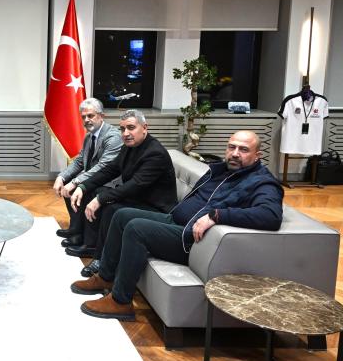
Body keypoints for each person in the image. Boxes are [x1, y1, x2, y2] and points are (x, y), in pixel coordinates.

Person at [71, 131, 283, 321]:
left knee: (136, 228)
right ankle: (106, 278)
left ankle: (120, 302)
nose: (235, 153)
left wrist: (217, 215)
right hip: (175, 220)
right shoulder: (221, 170)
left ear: (257, 155)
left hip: (190, 240)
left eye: (243, 150)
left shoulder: (261, 182)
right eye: (231, 147)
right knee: (121, 215)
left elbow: (270, 215)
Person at [67, 110, 176, 279]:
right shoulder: (129, 147)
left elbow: (135, 185)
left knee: (110, 207)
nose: (125, 133)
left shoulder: (155, 153)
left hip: (156, 209)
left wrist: (100, 199)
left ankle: (102, 262)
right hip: (137, 200)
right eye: (122, 129)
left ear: (144, 128)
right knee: (96, 192)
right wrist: (83, 186)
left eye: (131, 128)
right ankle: (92, 245)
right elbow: (109, 170)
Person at [53, 98, 122, 250]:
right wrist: (61, 177)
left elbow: (102, 167)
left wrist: (76, 182)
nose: (86, 120)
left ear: (101, 116)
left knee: (83, 187)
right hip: (94, 178)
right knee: (68, 183)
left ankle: (90, 243)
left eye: (90, 116)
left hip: (109, 182)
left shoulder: (113, 137)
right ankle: (76, 230)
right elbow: (79, 161)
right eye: (83, 117)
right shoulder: (89, 135)